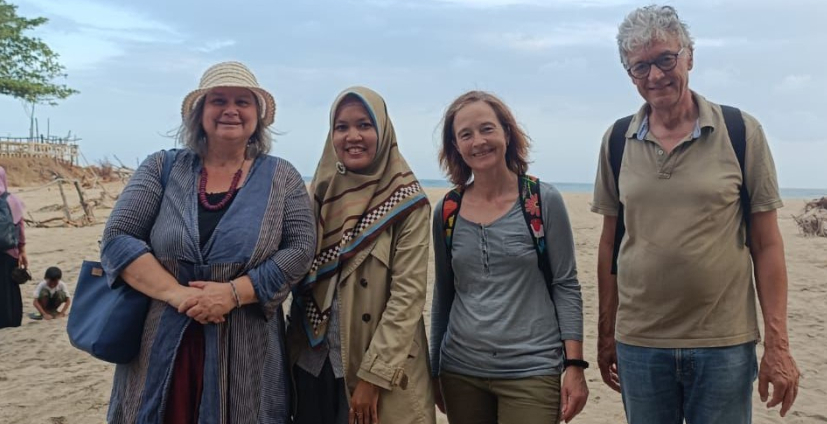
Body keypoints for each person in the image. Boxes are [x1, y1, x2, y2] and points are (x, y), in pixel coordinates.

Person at [591, 5, 801, 424]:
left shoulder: (741, 131)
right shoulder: (617, 140)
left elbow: (767, 244)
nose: (655, 76)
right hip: (640, 345)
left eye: (665, 59)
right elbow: (610, 244)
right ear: (629, 73)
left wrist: (778, 344)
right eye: (640, 67)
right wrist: (605, 332)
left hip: (724, 343)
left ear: (689, 55)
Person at [100, 61, 316, 423]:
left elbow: (299, 249)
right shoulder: (161, 168)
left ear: (257, 116)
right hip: (161, 342)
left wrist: (232, 294)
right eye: (218, 100)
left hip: (247, 347)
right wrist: (179, 294)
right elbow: (118, 238)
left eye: (242, 101)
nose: (230, 110)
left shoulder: (283, 177)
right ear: (200, 113)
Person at [429, 90, 588, 424]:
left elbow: (565, 285)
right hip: (461, 371)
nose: (479, 142)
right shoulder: (447, 211)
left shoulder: (542, 201)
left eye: (487, 129)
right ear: (456, 146)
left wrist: (574, 367)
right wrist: (434, 370)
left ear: (506, 132)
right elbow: (444, 294)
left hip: (532, 370)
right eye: (466, 134)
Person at [287, 86, 434, 424]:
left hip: (373, 366)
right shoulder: (320, 194)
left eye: (365, 125)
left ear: (383, 131)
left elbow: (408, 296)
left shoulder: (408, 201)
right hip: (311, 361)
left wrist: (373, 377)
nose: (353, 136)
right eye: (342, 127)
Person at [0, 166, 27, 329]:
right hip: (10, 250)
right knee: (10, 286)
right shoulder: (12, 201)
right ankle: (12, 320)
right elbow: (20, 227)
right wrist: (22, 250)